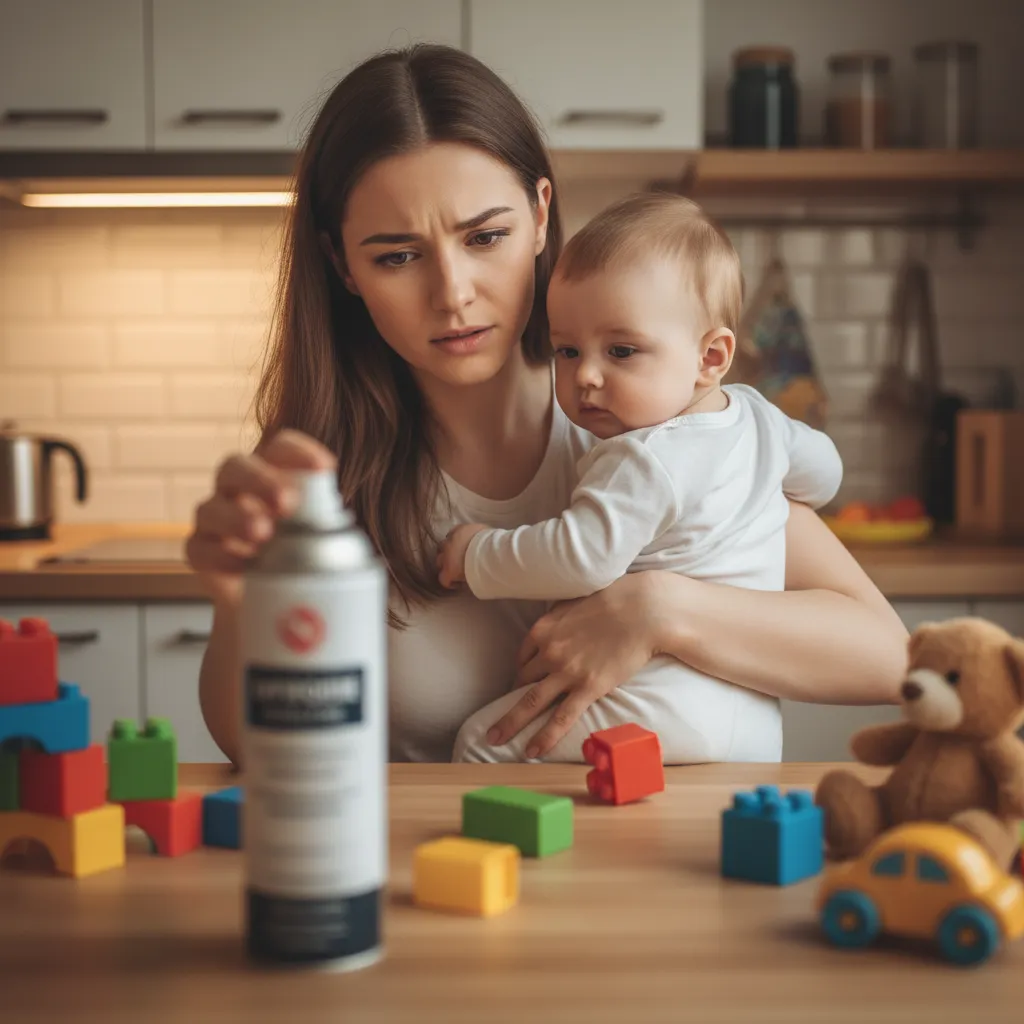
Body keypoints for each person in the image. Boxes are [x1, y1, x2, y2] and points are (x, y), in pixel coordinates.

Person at [185, 43, 908, 769]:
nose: (453, 292)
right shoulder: (320, 476)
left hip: (670, 869)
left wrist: (659, 611)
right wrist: (239, 600)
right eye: (397, 256)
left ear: (539, 216)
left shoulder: (655, 421)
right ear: (343, 265)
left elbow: (888, 658)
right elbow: (250, 744)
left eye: (485, 236)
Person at [437, 192, 844, 763]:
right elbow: (826, 472)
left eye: (622, 351)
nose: (587, 377)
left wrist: (478, 553)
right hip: (752, 714)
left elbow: (581, 557)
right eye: (568, 351)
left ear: (711, 356)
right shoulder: (759, 418)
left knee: (482, 743)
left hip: (661, 704)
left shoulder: (642, 456)